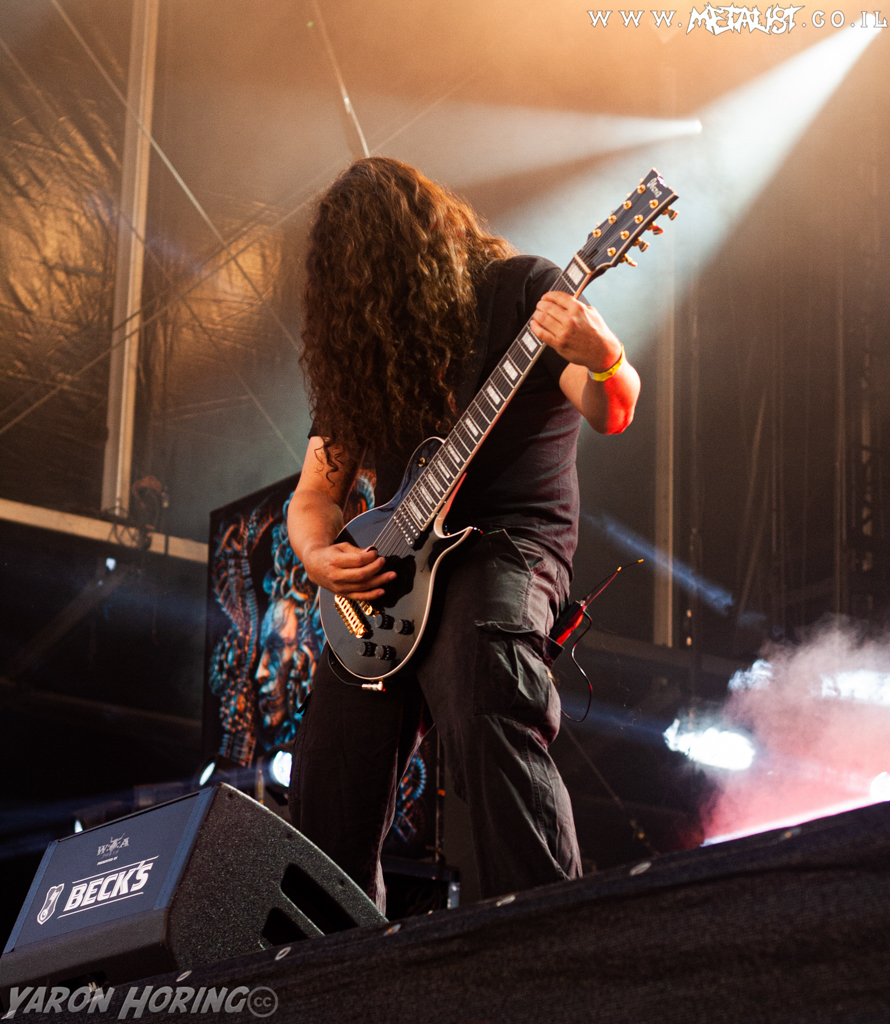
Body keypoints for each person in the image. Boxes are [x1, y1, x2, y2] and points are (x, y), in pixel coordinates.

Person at [287, 157, 640, 911]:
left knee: (484, 683)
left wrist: (604, 356)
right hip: (391, 572)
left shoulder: (521, 291)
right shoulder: (367, 354)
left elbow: (612, 408)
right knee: (328, 768)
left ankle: (545, 932)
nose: (369, 296)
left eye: (378, 272)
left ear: (421, 249)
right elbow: (316, 492)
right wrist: (317, 554)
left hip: (508, 545)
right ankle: (324, 962)